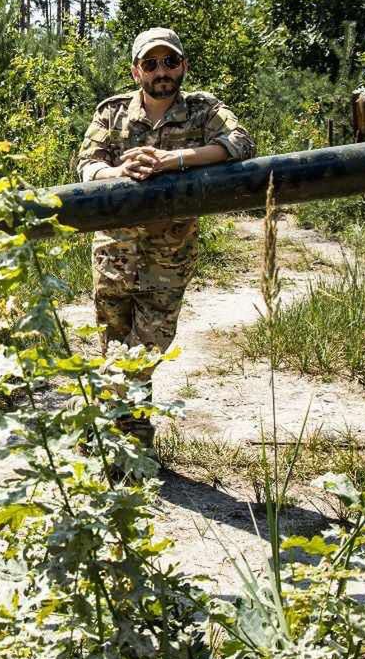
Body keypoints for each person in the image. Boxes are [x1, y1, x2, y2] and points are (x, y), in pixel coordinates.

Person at [77, 27, 255, 442]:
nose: (162, 71)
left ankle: (93, 412)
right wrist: (118, 171)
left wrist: (172, 160)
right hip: (114, 252)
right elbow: (86, 164)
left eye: (170, 62)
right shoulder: (113, 113)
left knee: (146, 347)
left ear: (183, 66)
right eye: (152, 63)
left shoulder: (202, 111)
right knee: (113, 343)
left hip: (169, 254)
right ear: (137, 71)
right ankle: (128, 437)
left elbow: (242, 143)